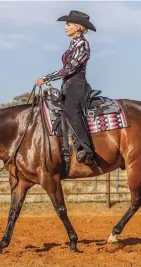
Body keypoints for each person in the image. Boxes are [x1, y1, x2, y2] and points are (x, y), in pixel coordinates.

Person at [35, 10, 96, 165]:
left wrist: (46, 78)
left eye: (68, 24)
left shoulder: (82, 44)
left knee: (70, 110)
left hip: (77, 84)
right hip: (68, 84)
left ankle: (86, 149)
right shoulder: (73, 44)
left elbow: (70, 68)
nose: (65, 27)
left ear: (77, 27)